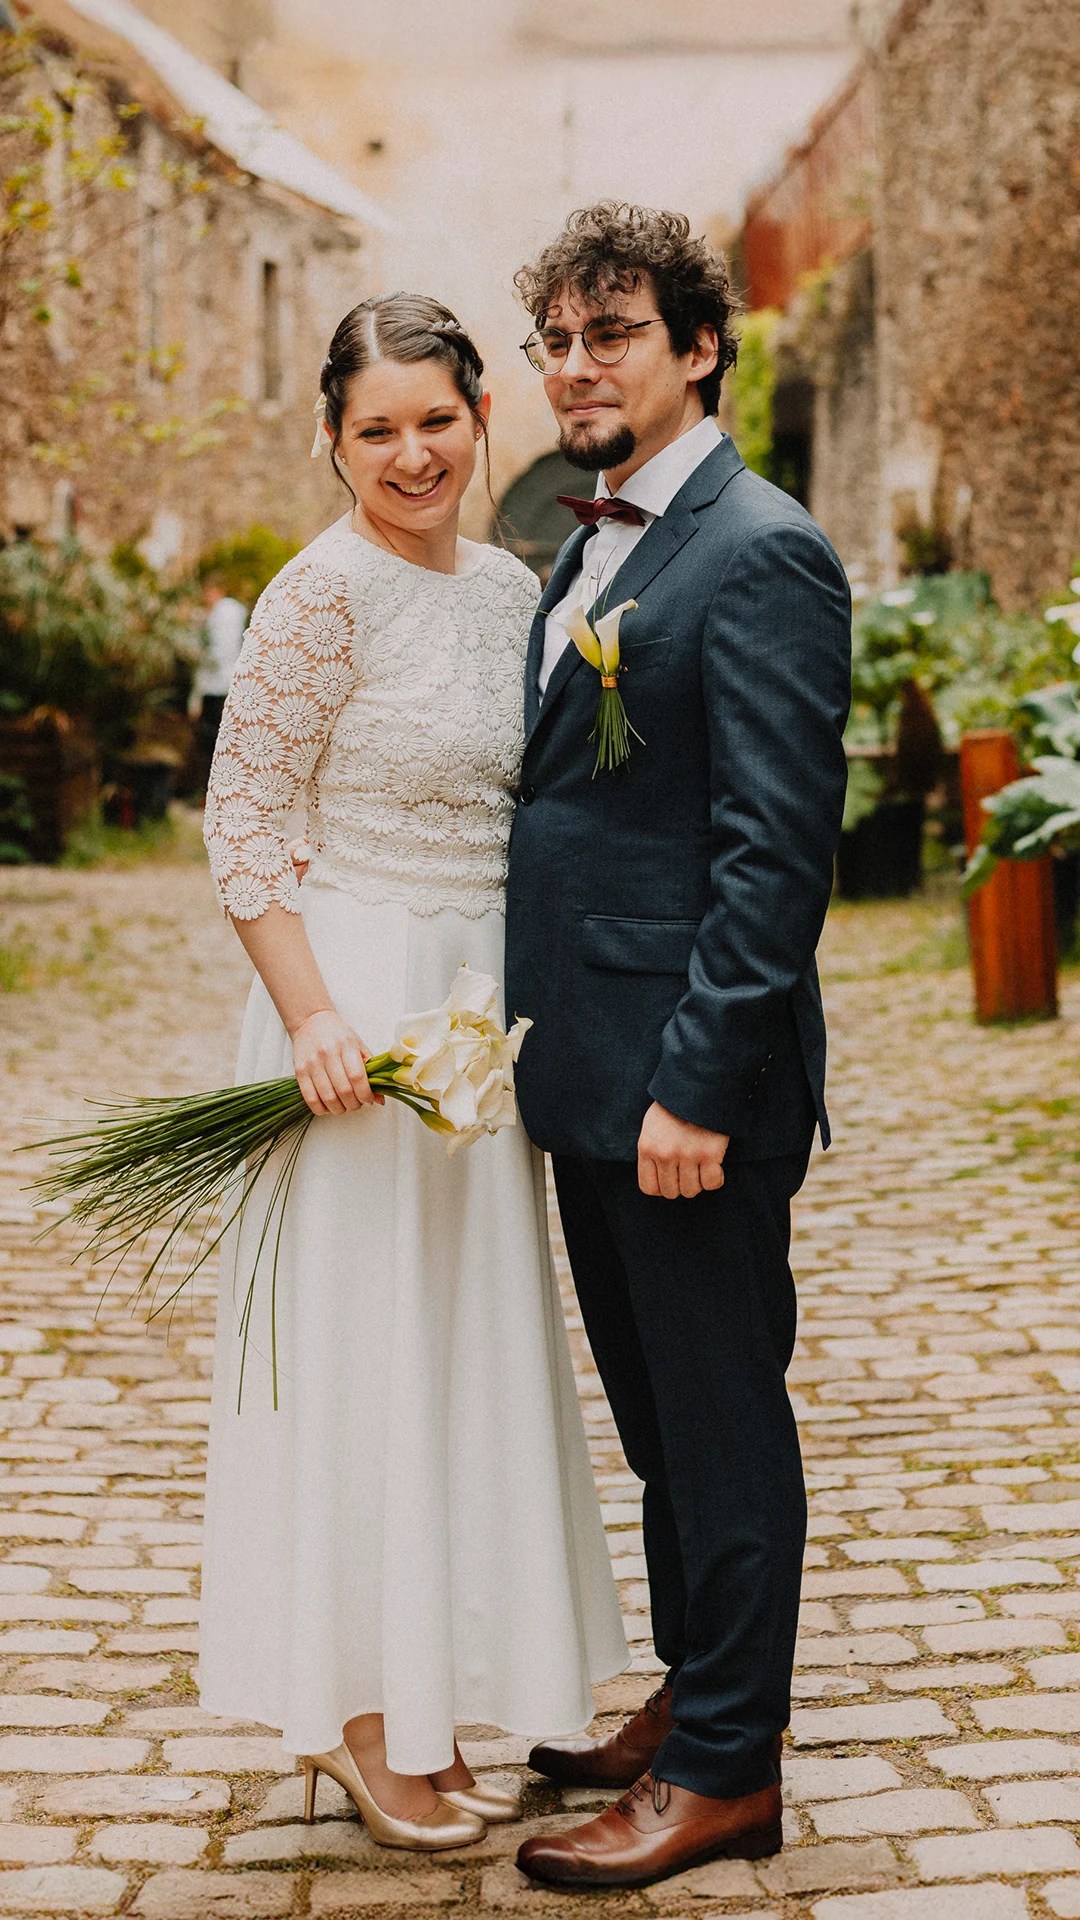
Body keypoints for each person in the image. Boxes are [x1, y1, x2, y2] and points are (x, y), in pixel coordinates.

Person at [198, 293, 627, 1853]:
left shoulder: (512, 591)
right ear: (333, 439)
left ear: (480, 418)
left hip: (476, 1018)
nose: (411, 454)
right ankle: (360, 1722)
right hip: (356, 1010)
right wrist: (314, 1017)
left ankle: (435, 1708)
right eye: (375, 429)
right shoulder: (320, 594)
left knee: (454, 1351)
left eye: (435, 420)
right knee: (363, 1357)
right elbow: (244, 821)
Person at [504, 203, 852, 1890]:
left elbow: (775, 852)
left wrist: (697, 1084)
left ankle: (726, 1772)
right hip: (593, 1073)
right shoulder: (595, 547)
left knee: (718, 1424)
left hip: (685, 1091)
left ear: (701, 347)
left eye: (615, 333)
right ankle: (696, 1691)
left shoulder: (759, 548)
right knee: (659, 1422)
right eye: (558, 341)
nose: (579, 366)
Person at [189, 575, 248, 779]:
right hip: (217, 685)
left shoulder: (225, 612)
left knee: (215, 741)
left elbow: (220, 651)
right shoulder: (221, 612)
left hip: (220, 686)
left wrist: (197, 654)